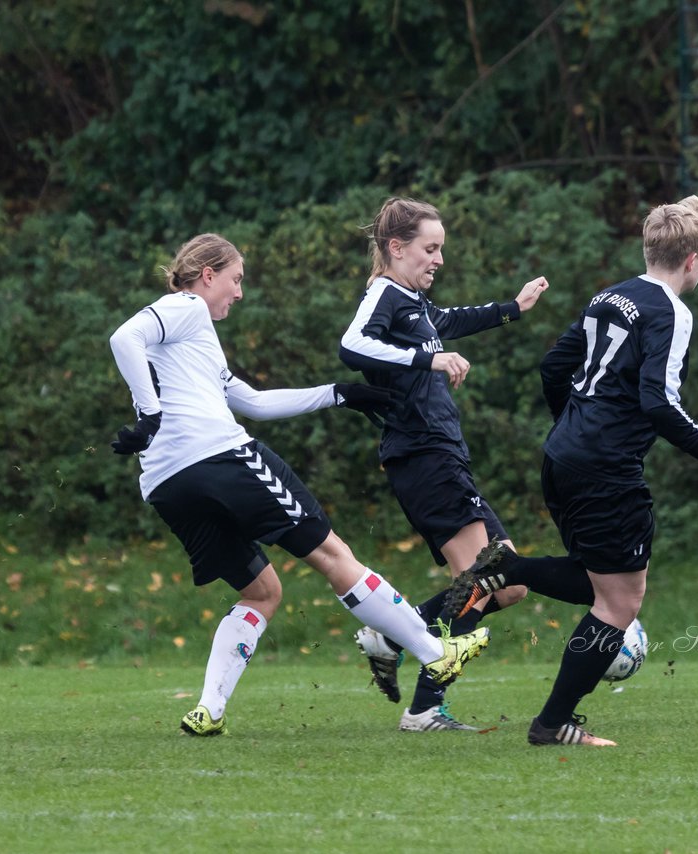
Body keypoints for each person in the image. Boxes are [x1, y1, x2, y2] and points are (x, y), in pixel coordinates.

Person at [108, 233, 490, 736]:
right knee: (333, 554)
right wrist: (150, 414)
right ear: (208, 276)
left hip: (166, 483)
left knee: (261, 592)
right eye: (236, 279)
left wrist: (341, 393)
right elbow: (123, 338)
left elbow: (255, 402)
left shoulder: (193, 344)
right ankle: (433, 652)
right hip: (220, 457)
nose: (239, 293)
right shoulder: (187, 308)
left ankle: (208, 710)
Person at [447, 195, 698, 746]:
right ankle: (551, 724)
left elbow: (554, 366)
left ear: (649, 248)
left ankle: (509, 571)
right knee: (619, 603)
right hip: (604, 467)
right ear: (694, 260)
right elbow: (658, 401)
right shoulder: (672, 313)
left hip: (562, 457)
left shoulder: (609, 295)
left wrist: (573, 426)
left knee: (598, 581)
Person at [338, 197, 592, 732]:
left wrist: (513, 309)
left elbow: (448, 321)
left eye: (441, 250)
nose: (439, 260)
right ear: (396, 248)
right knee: (480, 576)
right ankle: (425, 707)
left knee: (508, 584)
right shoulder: (384, 294)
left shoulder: (411, 302)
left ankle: (395, 632)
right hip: (423, 455)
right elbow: (352, 344)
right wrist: (428, 358)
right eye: (430, 249)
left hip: (441, 455)